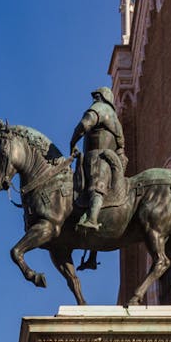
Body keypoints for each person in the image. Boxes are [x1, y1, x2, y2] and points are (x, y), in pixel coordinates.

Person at [68, 86, 127, 232]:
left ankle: (92, 219)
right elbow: (120, 148)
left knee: (96, 187)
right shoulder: (116, 119)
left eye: (97, 96)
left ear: (103, 98)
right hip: (111, 158)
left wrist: (73, 142)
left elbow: (84, 124)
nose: (95, 99)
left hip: (98, 156)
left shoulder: (101, 108)